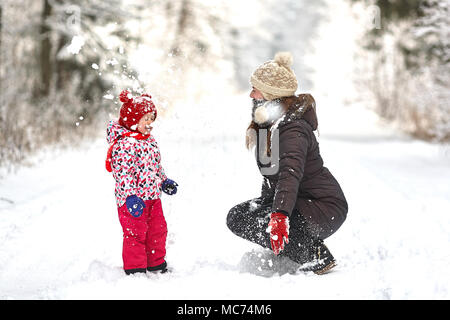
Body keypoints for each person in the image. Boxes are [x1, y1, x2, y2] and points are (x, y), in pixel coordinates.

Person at [227, 52, 348, 275]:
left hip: (322, 206)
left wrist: (279, 216)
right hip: (301, 202)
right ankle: (291, 246)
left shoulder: (293, 129)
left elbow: (289, 175)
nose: (251, 94)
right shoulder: (267, 124)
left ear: (271, 94)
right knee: (239, 216)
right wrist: (268, 209)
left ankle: (315, 255)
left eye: (255, 88)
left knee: (249, 217)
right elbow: (270, 175)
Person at [106, 90, 179, 275]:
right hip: (132, 200)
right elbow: (123, 173)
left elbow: (155, 165)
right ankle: (136, 269)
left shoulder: (150, 141)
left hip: (153, 196)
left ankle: (155, 264)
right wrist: (130, 196)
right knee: (135, 234)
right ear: (132, 120)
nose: (150, 124)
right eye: (145, 119)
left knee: (158, 230)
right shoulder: (124, 144)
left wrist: (163, 180)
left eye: (151, 119)